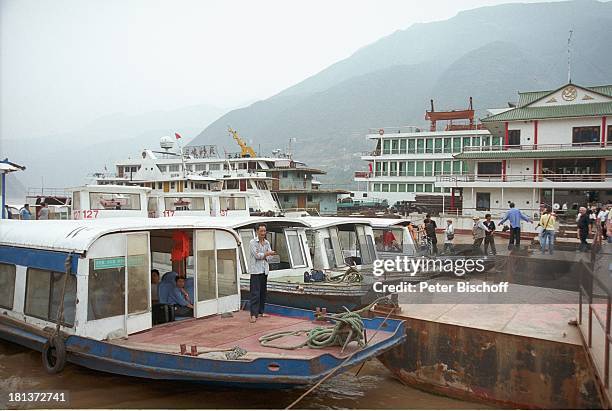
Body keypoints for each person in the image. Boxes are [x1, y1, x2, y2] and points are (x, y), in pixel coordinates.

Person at [248, 223, 276, 323]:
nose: (263, 233)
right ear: (257, 231)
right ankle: (253, 314)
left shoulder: (267, 243)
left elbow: (270, 257)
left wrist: (266, 255)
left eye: (264, 231)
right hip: (255, 270)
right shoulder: (252, 242)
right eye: (261, 231)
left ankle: (261, 311)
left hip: (264, 270)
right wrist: (267, 254)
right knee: (255, 293)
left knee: (263, 292)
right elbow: (257, 255)